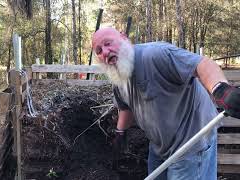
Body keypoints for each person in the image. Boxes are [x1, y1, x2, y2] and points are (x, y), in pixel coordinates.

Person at [91, 27, 240, 180]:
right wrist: (120, 133)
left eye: (108, 43)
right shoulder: (118, 80)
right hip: (160, 147)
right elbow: (125, 107)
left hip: (191, 145)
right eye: (99, 51)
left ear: (123, 38)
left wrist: (221, 90)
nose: (105, 52)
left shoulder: (155, 55)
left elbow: (201, 64)